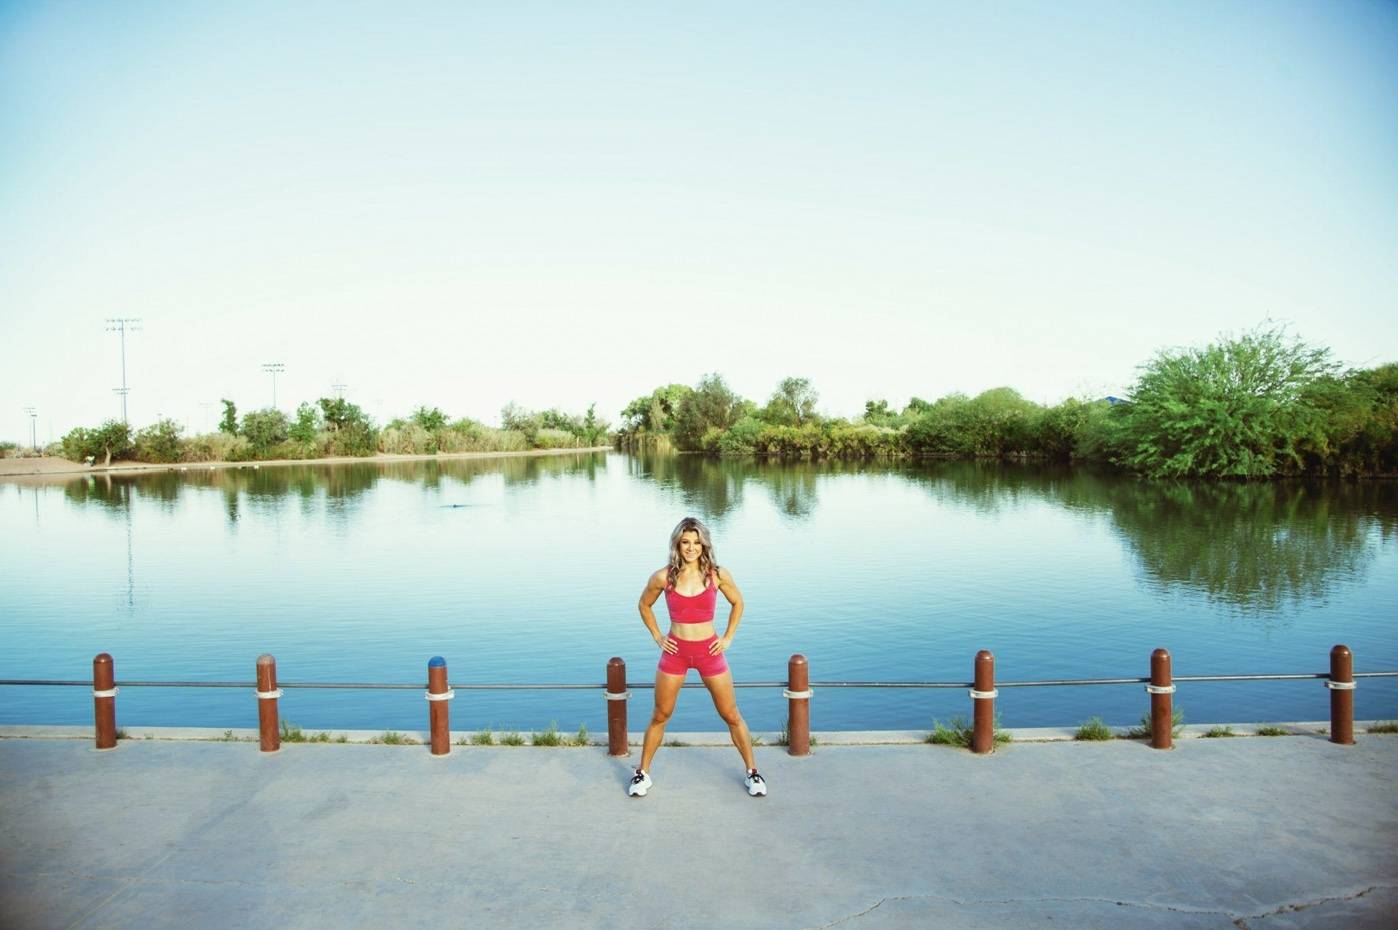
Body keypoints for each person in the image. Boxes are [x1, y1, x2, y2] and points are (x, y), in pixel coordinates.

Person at [629, 516, 765, 798]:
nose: (691, 548)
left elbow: (738, 602)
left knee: (730, 714)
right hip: (676, 653)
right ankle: (642, 774)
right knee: (660, 714)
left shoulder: (717, 575)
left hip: (709, 652)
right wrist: (658, 637)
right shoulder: (663, 577)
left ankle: (753, 773)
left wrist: (728, 637)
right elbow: (644, 605)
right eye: (685, 542)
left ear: (704, 546)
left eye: (696, 543)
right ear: (677, 545)